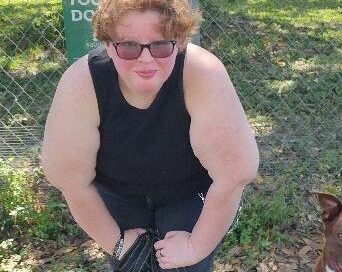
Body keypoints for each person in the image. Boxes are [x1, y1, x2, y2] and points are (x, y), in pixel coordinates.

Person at [40, 0, 259, 270]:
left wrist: (195, 247)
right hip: (118, 193)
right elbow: (71, 182)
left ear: (178, 42)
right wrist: (117, 243)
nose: (146, 59)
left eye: (161, 45)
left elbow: (235, 174)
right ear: (108, 44)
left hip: (189, 192)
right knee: (132, 263)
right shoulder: (82, 83)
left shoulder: (203, 72)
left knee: (182, 267)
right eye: (129, 46)